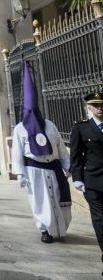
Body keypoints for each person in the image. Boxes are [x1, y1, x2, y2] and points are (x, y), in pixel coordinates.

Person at [11, 63, 71, 244]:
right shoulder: (20, 129)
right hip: (34, 170)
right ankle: (44, 229)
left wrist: (66, 165)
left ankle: (60, 228)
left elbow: (60, 146)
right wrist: (20, 173)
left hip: (53, 167)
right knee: (40, 201)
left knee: (59, 198)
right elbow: (17, 152)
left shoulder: (50, 125)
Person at [70, 91, 103, 270]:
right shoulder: (81, 127)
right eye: (96, 105)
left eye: (102, 105)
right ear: (89, 107)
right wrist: (77, 178)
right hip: (93, 181)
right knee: (100, 220)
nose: (100, 108)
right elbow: (75, 155)